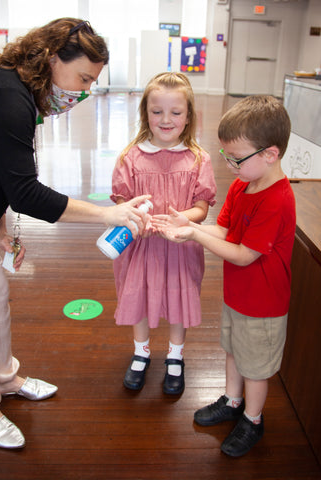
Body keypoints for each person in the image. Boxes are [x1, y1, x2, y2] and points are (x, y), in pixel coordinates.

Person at [0, 17, 149, 450]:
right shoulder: (5, 98)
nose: (82, 92)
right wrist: (108, 215)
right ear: (50, 58)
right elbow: (26, 192)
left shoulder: (19, 96)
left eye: (92, 83)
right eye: (82, 77)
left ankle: (5, 378)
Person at [152, 95, 296, 456]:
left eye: (237, 158)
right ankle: (232, 402)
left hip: (264, 305)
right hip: (237, 297)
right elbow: (226, 233)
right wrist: (190, 224)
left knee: (256, 367)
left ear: (270, 154)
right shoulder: (241, 185)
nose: (230, 165)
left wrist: (193, 234)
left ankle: (253, 419)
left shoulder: (277, 199)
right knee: (233, 351)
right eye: (225, 157)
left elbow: (245, 255)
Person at [110, 72, 216, 395]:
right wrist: (135, 213)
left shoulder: (199, 159)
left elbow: (202, 207)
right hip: (140, 247)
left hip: (181, 246)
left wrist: (179, 220)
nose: (165, 120)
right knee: (138, 297)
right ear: (146, 113)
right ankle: (141, 352)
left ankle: (175, 356)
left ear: (188, 117)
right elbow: (120, 200)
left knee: (178, 298)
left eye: (175, 112)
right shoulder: (131, 156)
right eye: (157, 112)